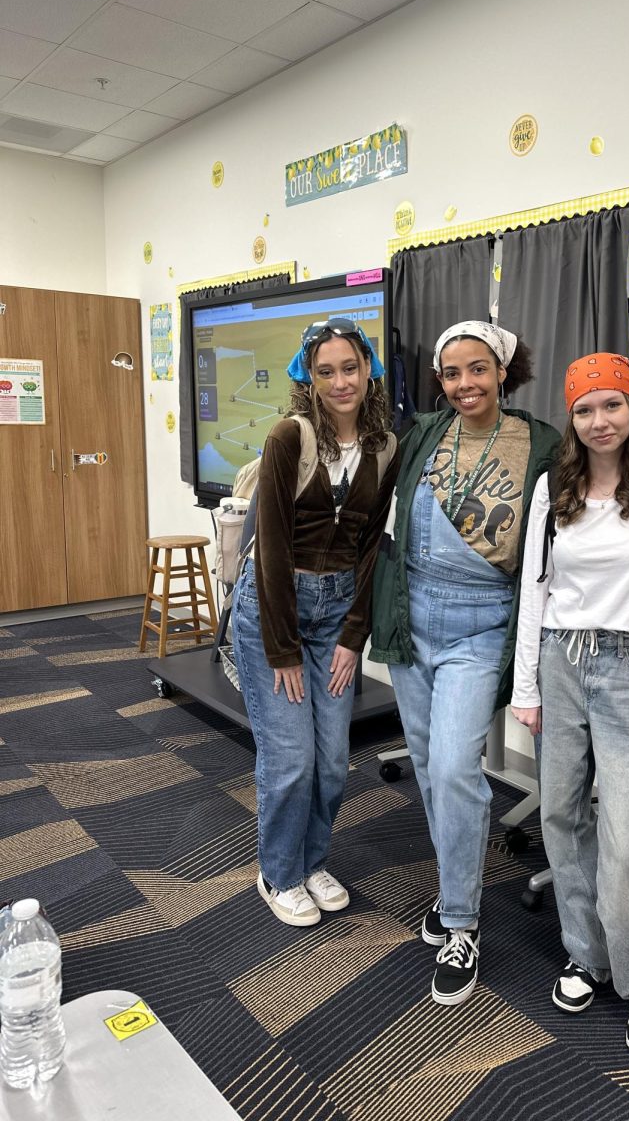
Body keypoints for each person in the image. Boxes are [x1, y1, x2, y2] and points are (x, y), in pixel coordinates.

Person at [511, 352, 629, 1057]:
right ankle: (586, 955)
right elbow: (534, 590)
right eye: (585, 410)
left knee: (625, 836)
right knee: (559, 814)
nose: (599, 421)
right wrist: (527, 687)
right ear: (572, 418)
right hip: (561, 661)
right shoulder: (551, 488)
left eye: (612, 405)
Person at [370, 321, 559, 1006]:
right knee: (429, 768)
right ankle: (456, 884)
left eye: (477, 370)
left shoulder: (540, 443)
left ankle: (461, 924)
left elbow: (563, 535)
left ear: (503, 371)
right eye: (451, 373)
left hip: (481, 624)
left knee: (455, 768)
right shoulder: (423, 432)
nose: (463, 384)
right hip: (411, 615)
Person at [232, 319, 399, 927]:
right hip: (274, 612)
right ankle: (277, 874)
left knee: (331, 760)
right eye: (325, 371)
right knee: (291, 759)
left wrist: (355, 635)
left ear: (368, 369)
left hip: (335, 618)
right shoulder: (289, 436)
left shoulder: (385, 447)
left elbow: (370, 546)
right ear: (309, 377)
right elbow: (271, 546)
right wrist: (280, 649)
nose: (340, 382)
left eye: (349, 368)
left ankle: (312, 861)